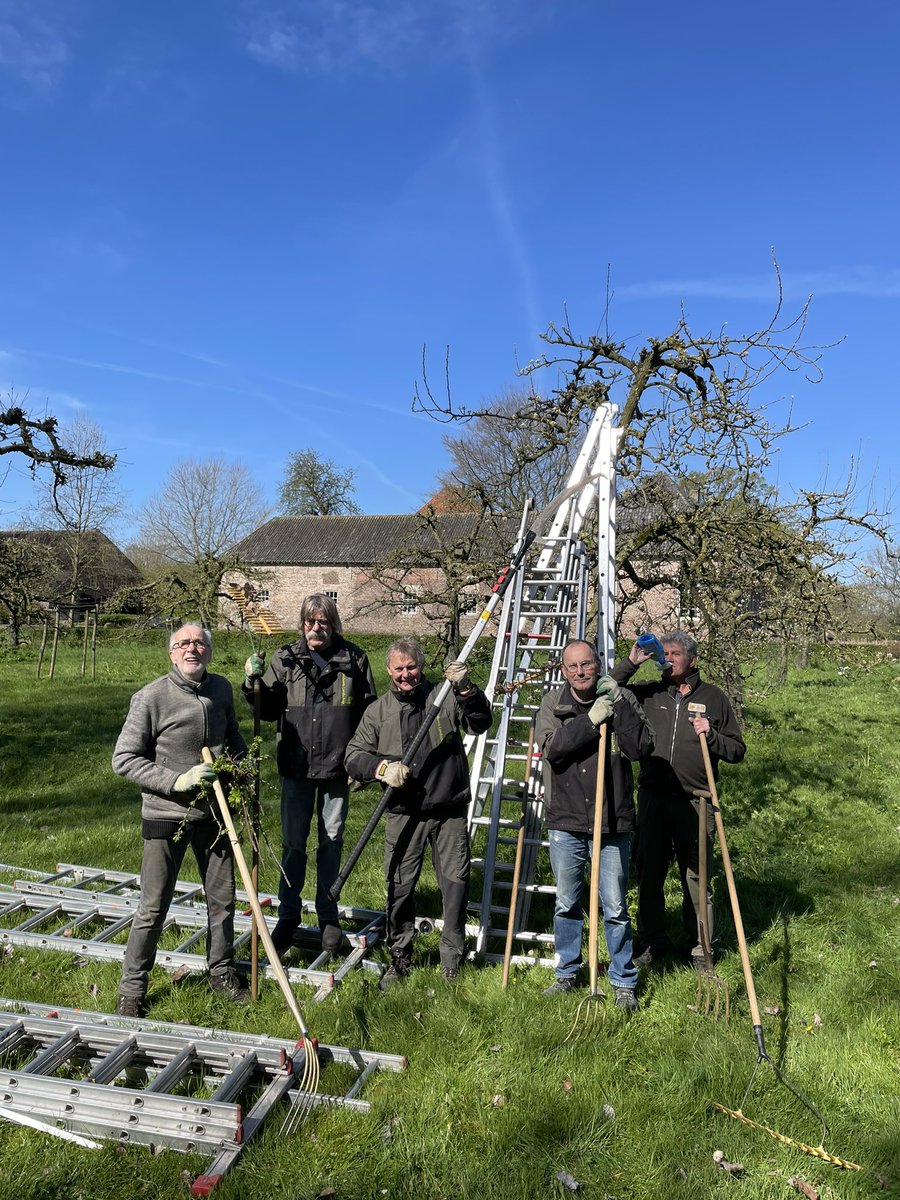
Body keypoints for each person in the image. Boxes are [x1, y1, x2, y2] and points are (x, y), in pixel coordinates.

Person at [112, 623, 248, 1017]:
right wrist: (176, 780)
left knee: (223, 900)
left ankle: (222, 972)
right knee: (154, 906)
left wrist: (243, 767)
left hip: (215, 813)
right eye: (183, 643)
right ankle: (132, 989)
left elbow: (232, 734)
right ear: (172, 653)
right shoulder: (150, 697)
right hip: (165, 815)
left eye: (200, 643)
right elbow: (124, 759)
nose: (193, 649)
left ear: (209, 651)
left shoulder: (220, 689)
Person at [344, 638, 492, 988]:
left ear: (420, 667)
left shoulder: (443, 697)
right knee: (399, 884)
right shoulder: (378, 711)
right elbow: (354, 755)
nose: (406, 675)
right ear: (389, 671)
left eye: (412, 667)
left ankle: (451, 959)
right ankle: (401, 957)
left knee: (455, 884)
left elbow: (481, 722)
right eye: (399, 669)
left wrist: (467, 689)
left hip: (448, 809)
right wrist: (381, 769)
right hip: (402, 811)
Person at [244, 593, 376, 957]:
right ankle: (288, 915)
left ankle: (328, 915)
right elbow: (266, 709)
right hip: (296, 766)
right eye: (310, 622)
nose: (316, 628)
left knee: (331, 842)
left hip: (337, 767)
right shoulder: (285, 658)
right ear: (302, 623)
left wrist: (362, 762)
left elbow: (369, 715)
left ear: (333, 624)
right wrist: (252, 683)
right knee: (293, 844)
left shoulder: (354, 659)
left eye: (323, 622)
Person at [611, 630, 746, 969]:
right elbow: (607, 688)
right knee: (650, 873)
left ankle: (700, 947)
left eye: (674, 653)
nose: (667, 659)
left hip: (697, 800)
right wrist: (631, 663)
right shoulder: (649, 693)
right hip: (654, 798)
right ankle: (652, 942)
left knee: (697, 877)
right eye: (664, 653)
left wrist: (712, 735)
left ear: (692, 659)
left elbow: (737, 750)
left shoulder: (714, 698)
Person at [536, 639, 654, 1008]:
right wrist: (588, 722)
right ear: (563, 670)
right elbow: (552, 749)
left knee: (615, 905)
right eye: (572, 667)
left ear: (598, 663)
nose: (580, 672)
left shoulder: (621, 699)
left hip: (612, 820)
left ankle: (622, 980)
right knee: (567, 902)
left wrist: (619, 706)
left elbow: (641, 749)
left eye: (586, 664)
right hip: (566, 820)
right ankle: (567, 973)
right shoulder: (554, 705)